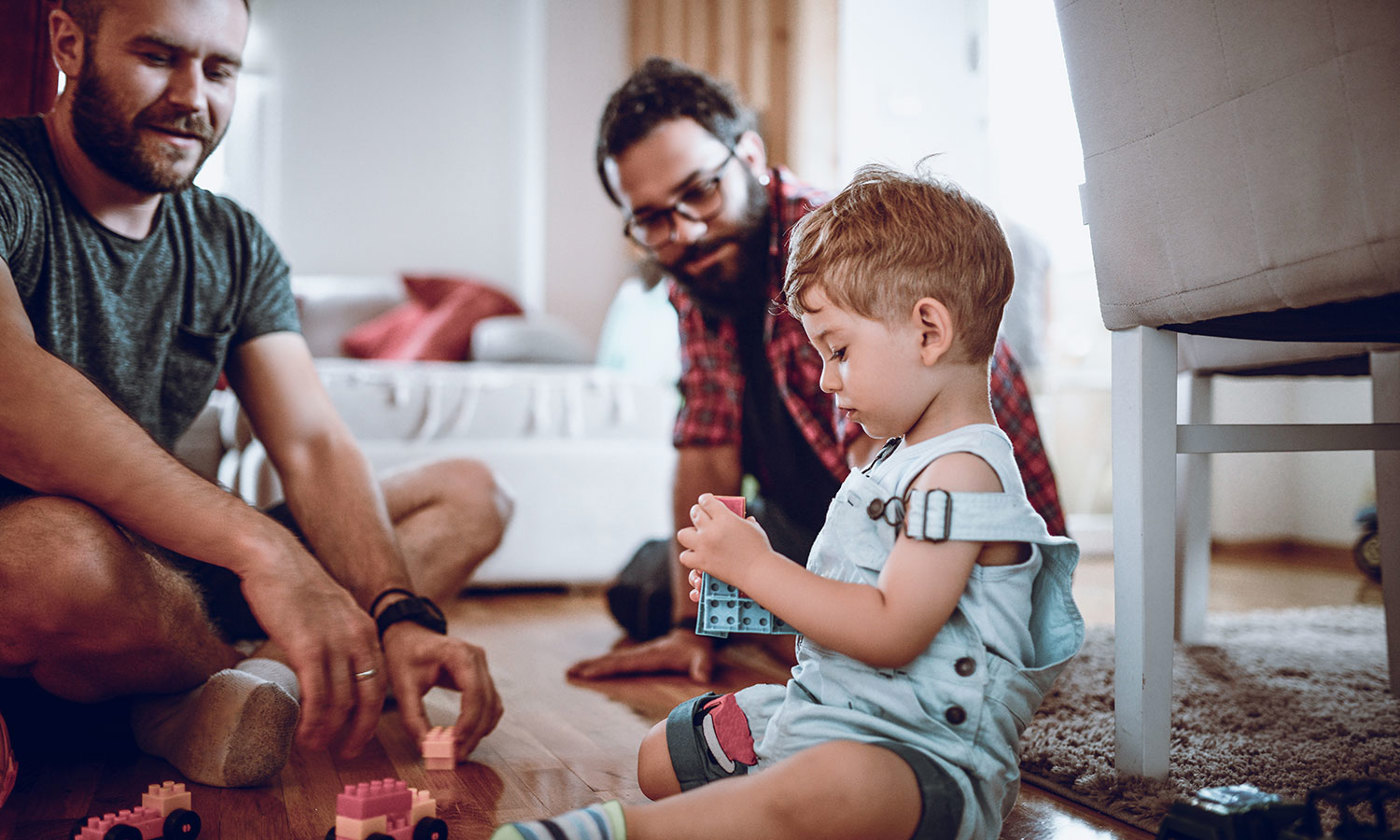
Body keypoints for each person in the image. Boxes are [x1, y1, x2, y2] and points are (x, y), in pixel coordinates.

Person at [0, 0, 509, 789]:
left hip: (171, 571)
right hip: (51, 588)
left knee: (469, 493)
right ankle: (245, 679)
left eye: (220, 68)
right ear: (70, 41)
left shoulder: (231, 240)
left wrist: (398, 610)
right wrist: (270, 555)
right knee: (56, 555)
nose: (192, 96)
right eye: (159, 55)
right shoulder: (9, 182)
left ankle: (230, 691)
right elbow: (15, 402)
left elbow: (310, 443)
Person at [496, 163, 1084, 840]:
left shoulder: (962, 473)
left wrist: (760, 569)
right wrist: (746, 595)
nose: (829, 379)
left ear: (929, 330)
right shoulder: (895, 458)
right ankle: (768, 799)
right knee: (664, 753)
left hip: (923, 762)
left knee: (832, 784)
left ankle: (624, 832)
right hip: (838, 708)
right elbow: (846, 609)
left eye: (838, 350)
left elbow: (893, 632)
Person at [569, 57, 1066, 684]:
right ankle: (765, 624)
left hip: (912, 517)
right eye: (653, 220)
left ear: (748, 156)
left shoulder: (834, 261)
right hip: (823, 508)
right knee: (652, 584)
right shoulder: (697, 276)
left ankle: (794, 632)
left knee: (766, 594)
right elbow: (707, 445)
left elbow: (883, 465)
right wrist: (690, 623)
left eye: (698, 191)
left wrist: (789, 602)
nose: (686, 231)